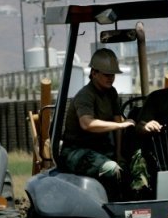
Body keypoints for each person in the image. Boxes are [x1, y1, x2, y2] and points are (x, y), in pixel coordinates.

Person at [59, 48, 146, 199]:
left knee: (135, 162)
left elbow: (117, 120)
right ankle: (114, 205)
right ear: (94, 73)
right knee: (112, 170)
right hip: (77, 151)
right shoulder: (85, 96)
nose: (110, 78)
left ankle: (137, 202)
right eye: (106, 74)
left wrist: (119, 155)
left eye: (112, 74)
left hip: (101, 149)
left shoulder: (111, 93)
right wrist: (119, 125)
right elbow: (87, 124)